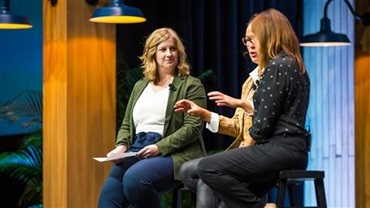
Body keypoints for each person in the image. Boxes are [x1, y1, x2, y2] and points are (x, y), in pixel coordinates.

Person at [174, 8, 310, 208]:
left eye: (254, 38)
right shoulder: (296, 65)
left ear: (270, 35)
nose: (250, 45)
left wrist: (246, 148)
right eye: (246, 40)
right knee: (211, 187)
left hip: (279, 149)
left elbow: (263, 124)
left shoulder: (277, 67)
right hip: (292, 150)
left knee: (207, 168)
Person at [97, 27, 207, 208]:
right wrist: (121, 147)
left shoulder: (191, 85)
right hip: (138, 148)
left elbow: (193, 128)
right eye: (162, 49)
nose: (169, 54)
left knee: (135, 179)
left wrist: (159, 147)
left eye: (173, 49)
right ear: (152, 54)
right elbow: (127, 124)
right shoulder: (140, 85)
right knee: (108, 197)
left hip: (175, 152)